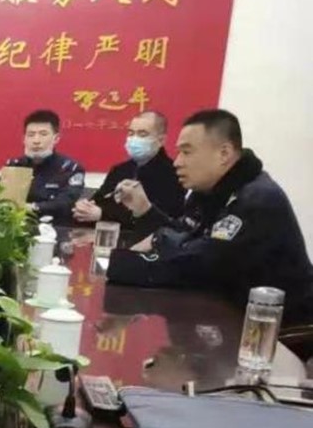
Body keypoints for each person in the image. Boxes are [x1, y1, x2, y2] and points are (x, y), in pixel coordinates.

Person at [107, 109, 313, 325]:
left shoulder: (257, 200)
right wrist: (146, 213)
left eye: (186, 152)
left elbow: (200, 265)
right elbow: (182, 234)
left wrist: (122, 263)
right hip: (222, 311)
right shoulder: (206, 192)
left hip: (280, 330)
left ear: (224, 153)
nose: (177, 162)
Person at [73, 111, 186, 236]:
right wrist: (85, 207)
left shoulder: (174, 173)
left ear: (161, 140)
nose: (134, 139)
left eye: (142, 134)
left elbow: (162, 217)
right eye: (131, 133)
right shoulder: (120, 169)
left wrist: (103, 214)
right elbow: (99, 200)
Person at [5, 109, 86, 225]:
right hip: (18, 227)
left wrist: (33, 207)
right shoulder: (14, 165)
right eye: (31, 135)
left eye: (43, 134)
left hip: (56, 228)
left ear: (56, 138)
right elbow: (3, 200)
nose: (36, 141)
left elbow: (65, 202)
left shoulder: (70, 168)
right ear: (24, 139)